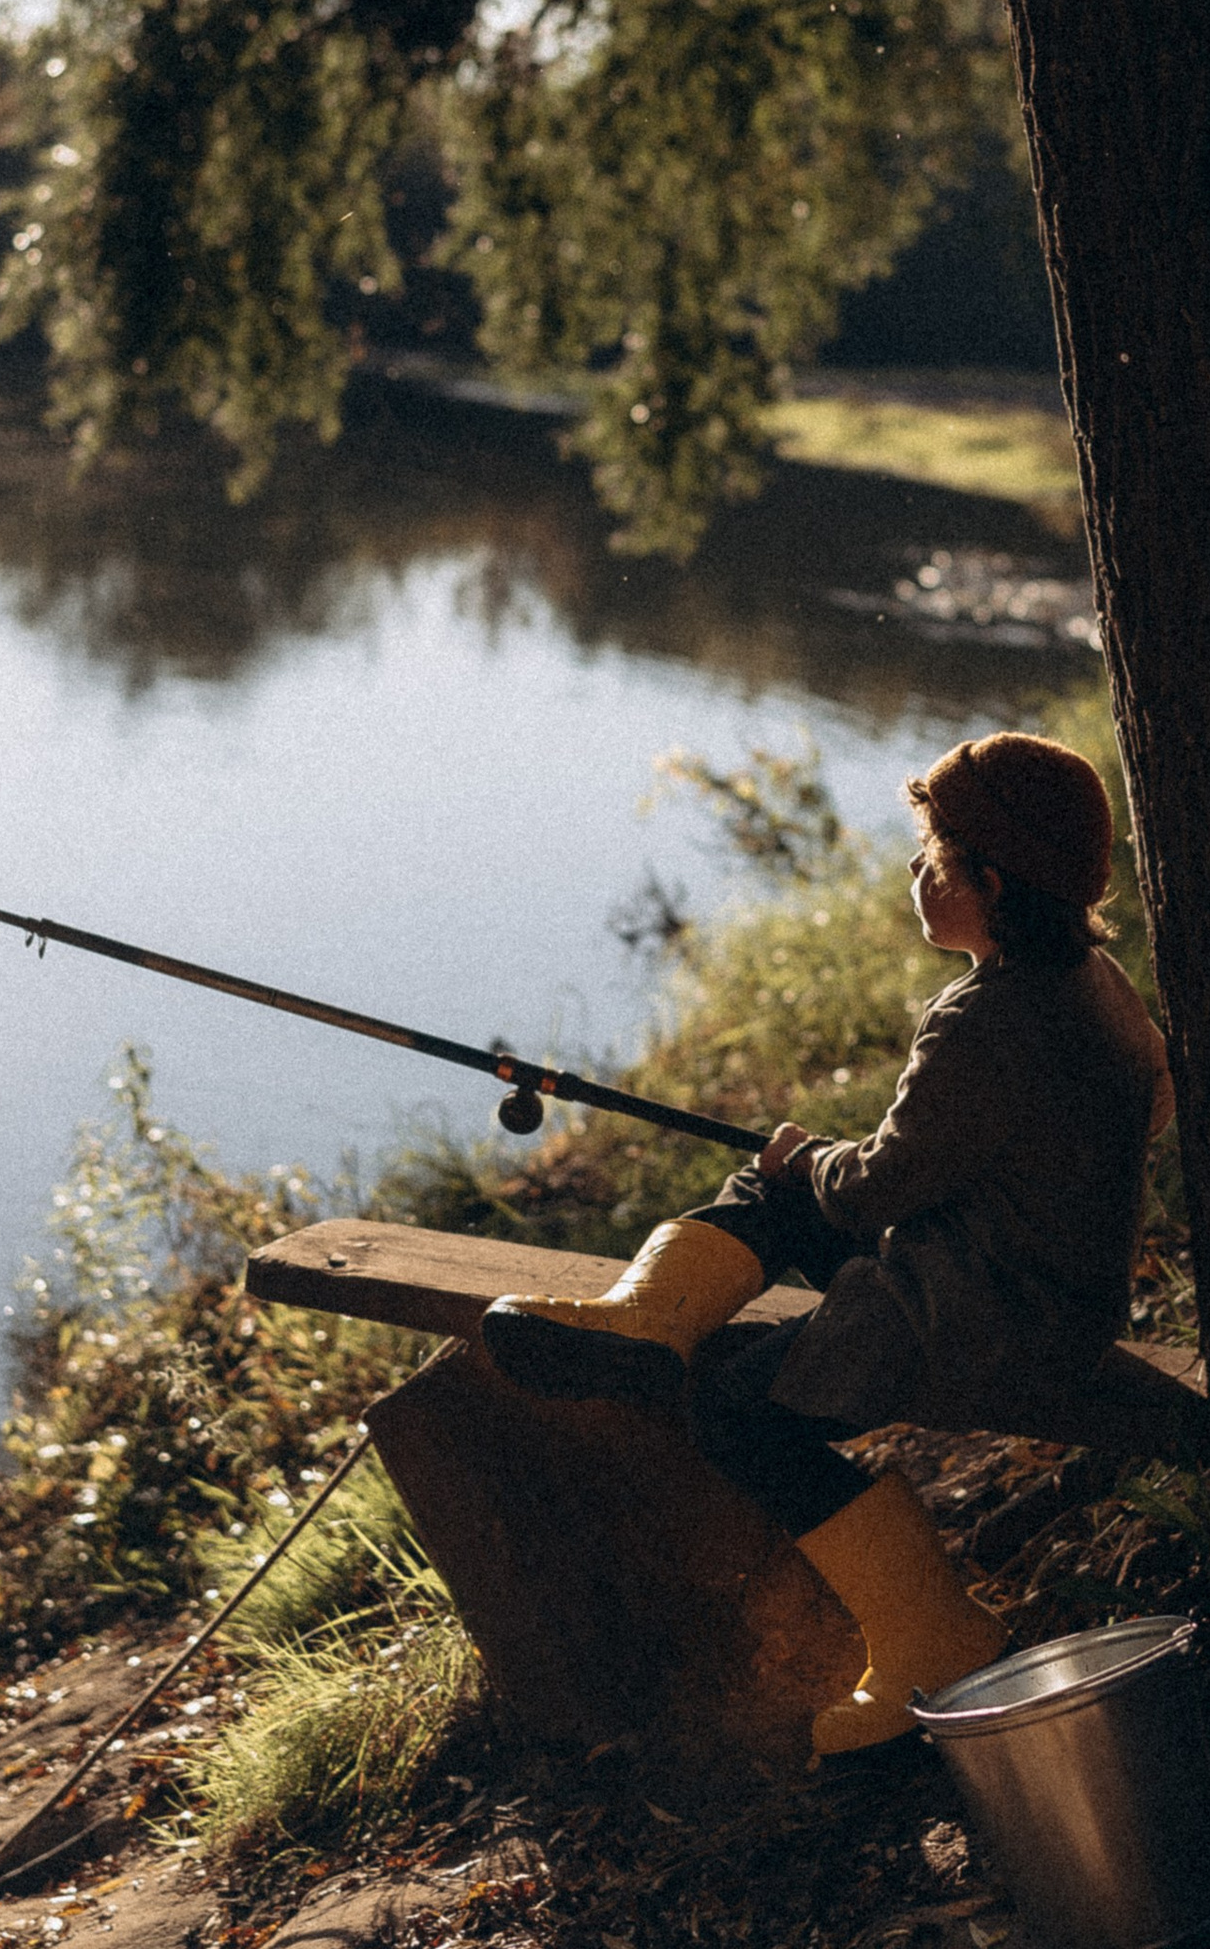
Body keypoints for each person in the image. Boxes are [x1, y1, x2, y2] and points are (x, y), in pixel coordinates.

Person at [483, 732, 1173, 1753]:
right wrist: (829, 1169)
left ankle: (932, 1635)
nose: (914, 875)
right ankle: (644, 1322)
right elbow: (1141, 1106)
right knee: (782, 1184)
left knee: (733, 1409)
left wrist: (811, 1162)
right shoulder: (1092, 979)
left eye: (932, 858)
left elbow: (875, 1189)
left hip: (988, 1316)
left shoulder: (984, 1021)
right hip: (1047, 1287)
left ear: (990, 881)